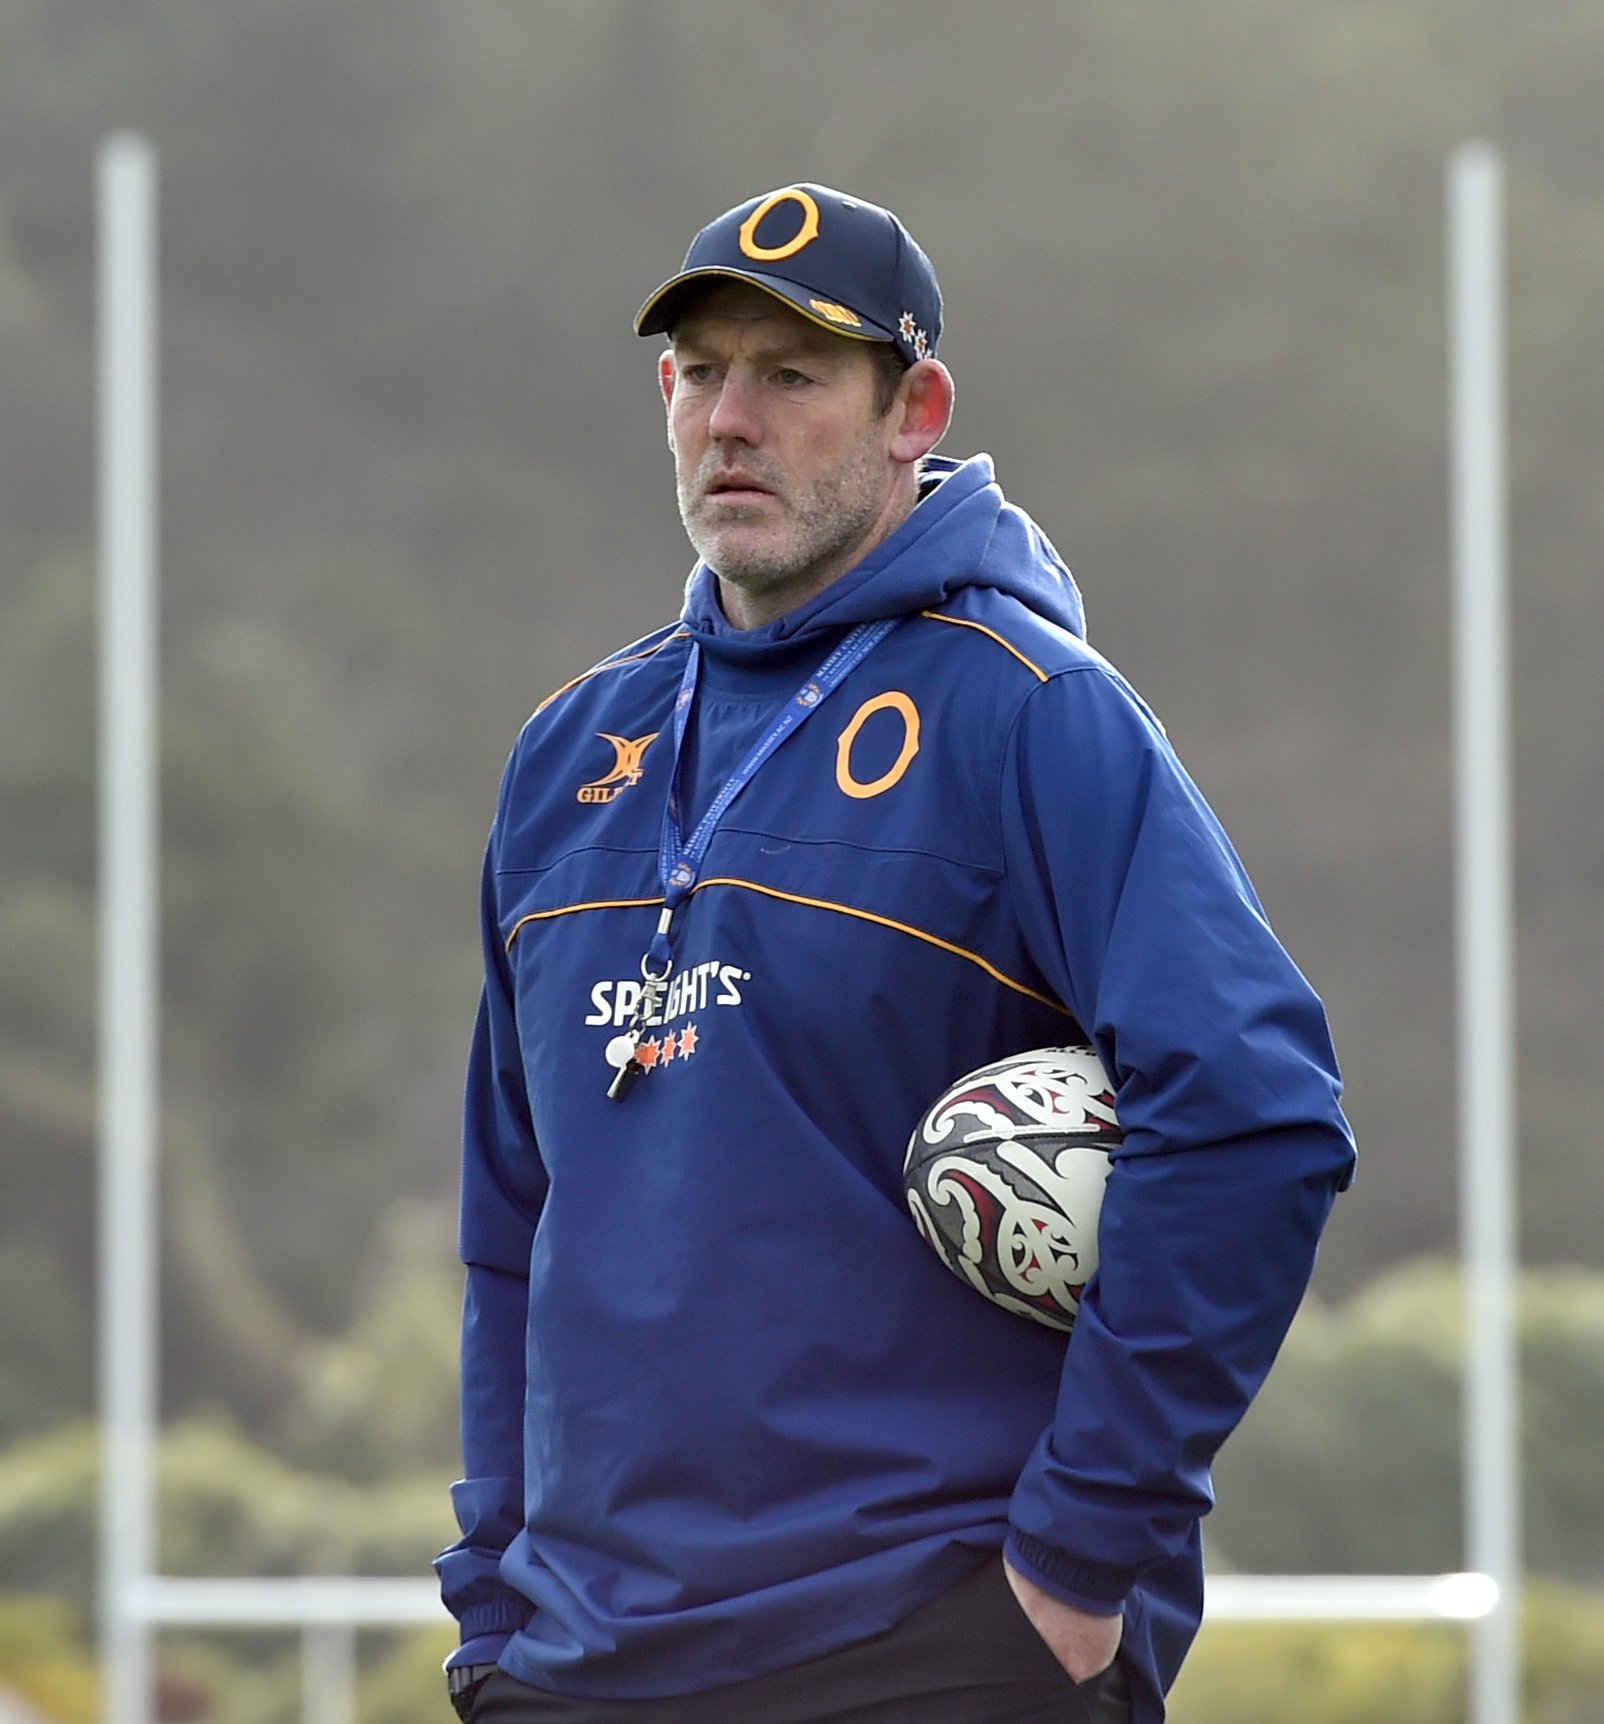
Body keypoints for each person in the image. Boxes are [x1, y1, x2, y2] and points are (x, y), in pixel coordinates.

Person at [435, 184, 1355, 1724]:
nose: (732, 418)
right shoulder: (568, 753)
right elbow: (509, 1220)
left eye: (792, 377)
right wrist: (489, 1591)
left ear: (913, 409)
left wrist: (1078, 1557)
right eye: (701, 372)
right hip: (585, 1660)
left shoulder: (1030, 711)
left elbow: (1254, 1120)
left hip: (926, 1645)